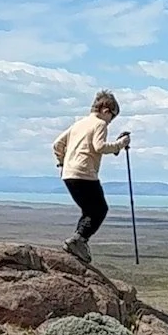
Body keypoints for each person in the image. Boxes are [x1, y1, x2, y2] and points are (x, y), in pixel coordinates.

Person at [52, 90, 131, 261]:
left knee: (89, 210)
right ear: (106, 110)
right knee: (99, 210)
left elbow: (57, 144)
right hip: (85, 173)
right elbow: (99, 147)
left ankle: (78, 241)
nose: (111, 121)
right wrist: (120, 144)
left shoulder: (79, 124)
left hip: (69, 174)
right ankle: (78, 240)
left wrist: (62, 163)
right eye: (113, 116)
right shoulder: (99, 124)